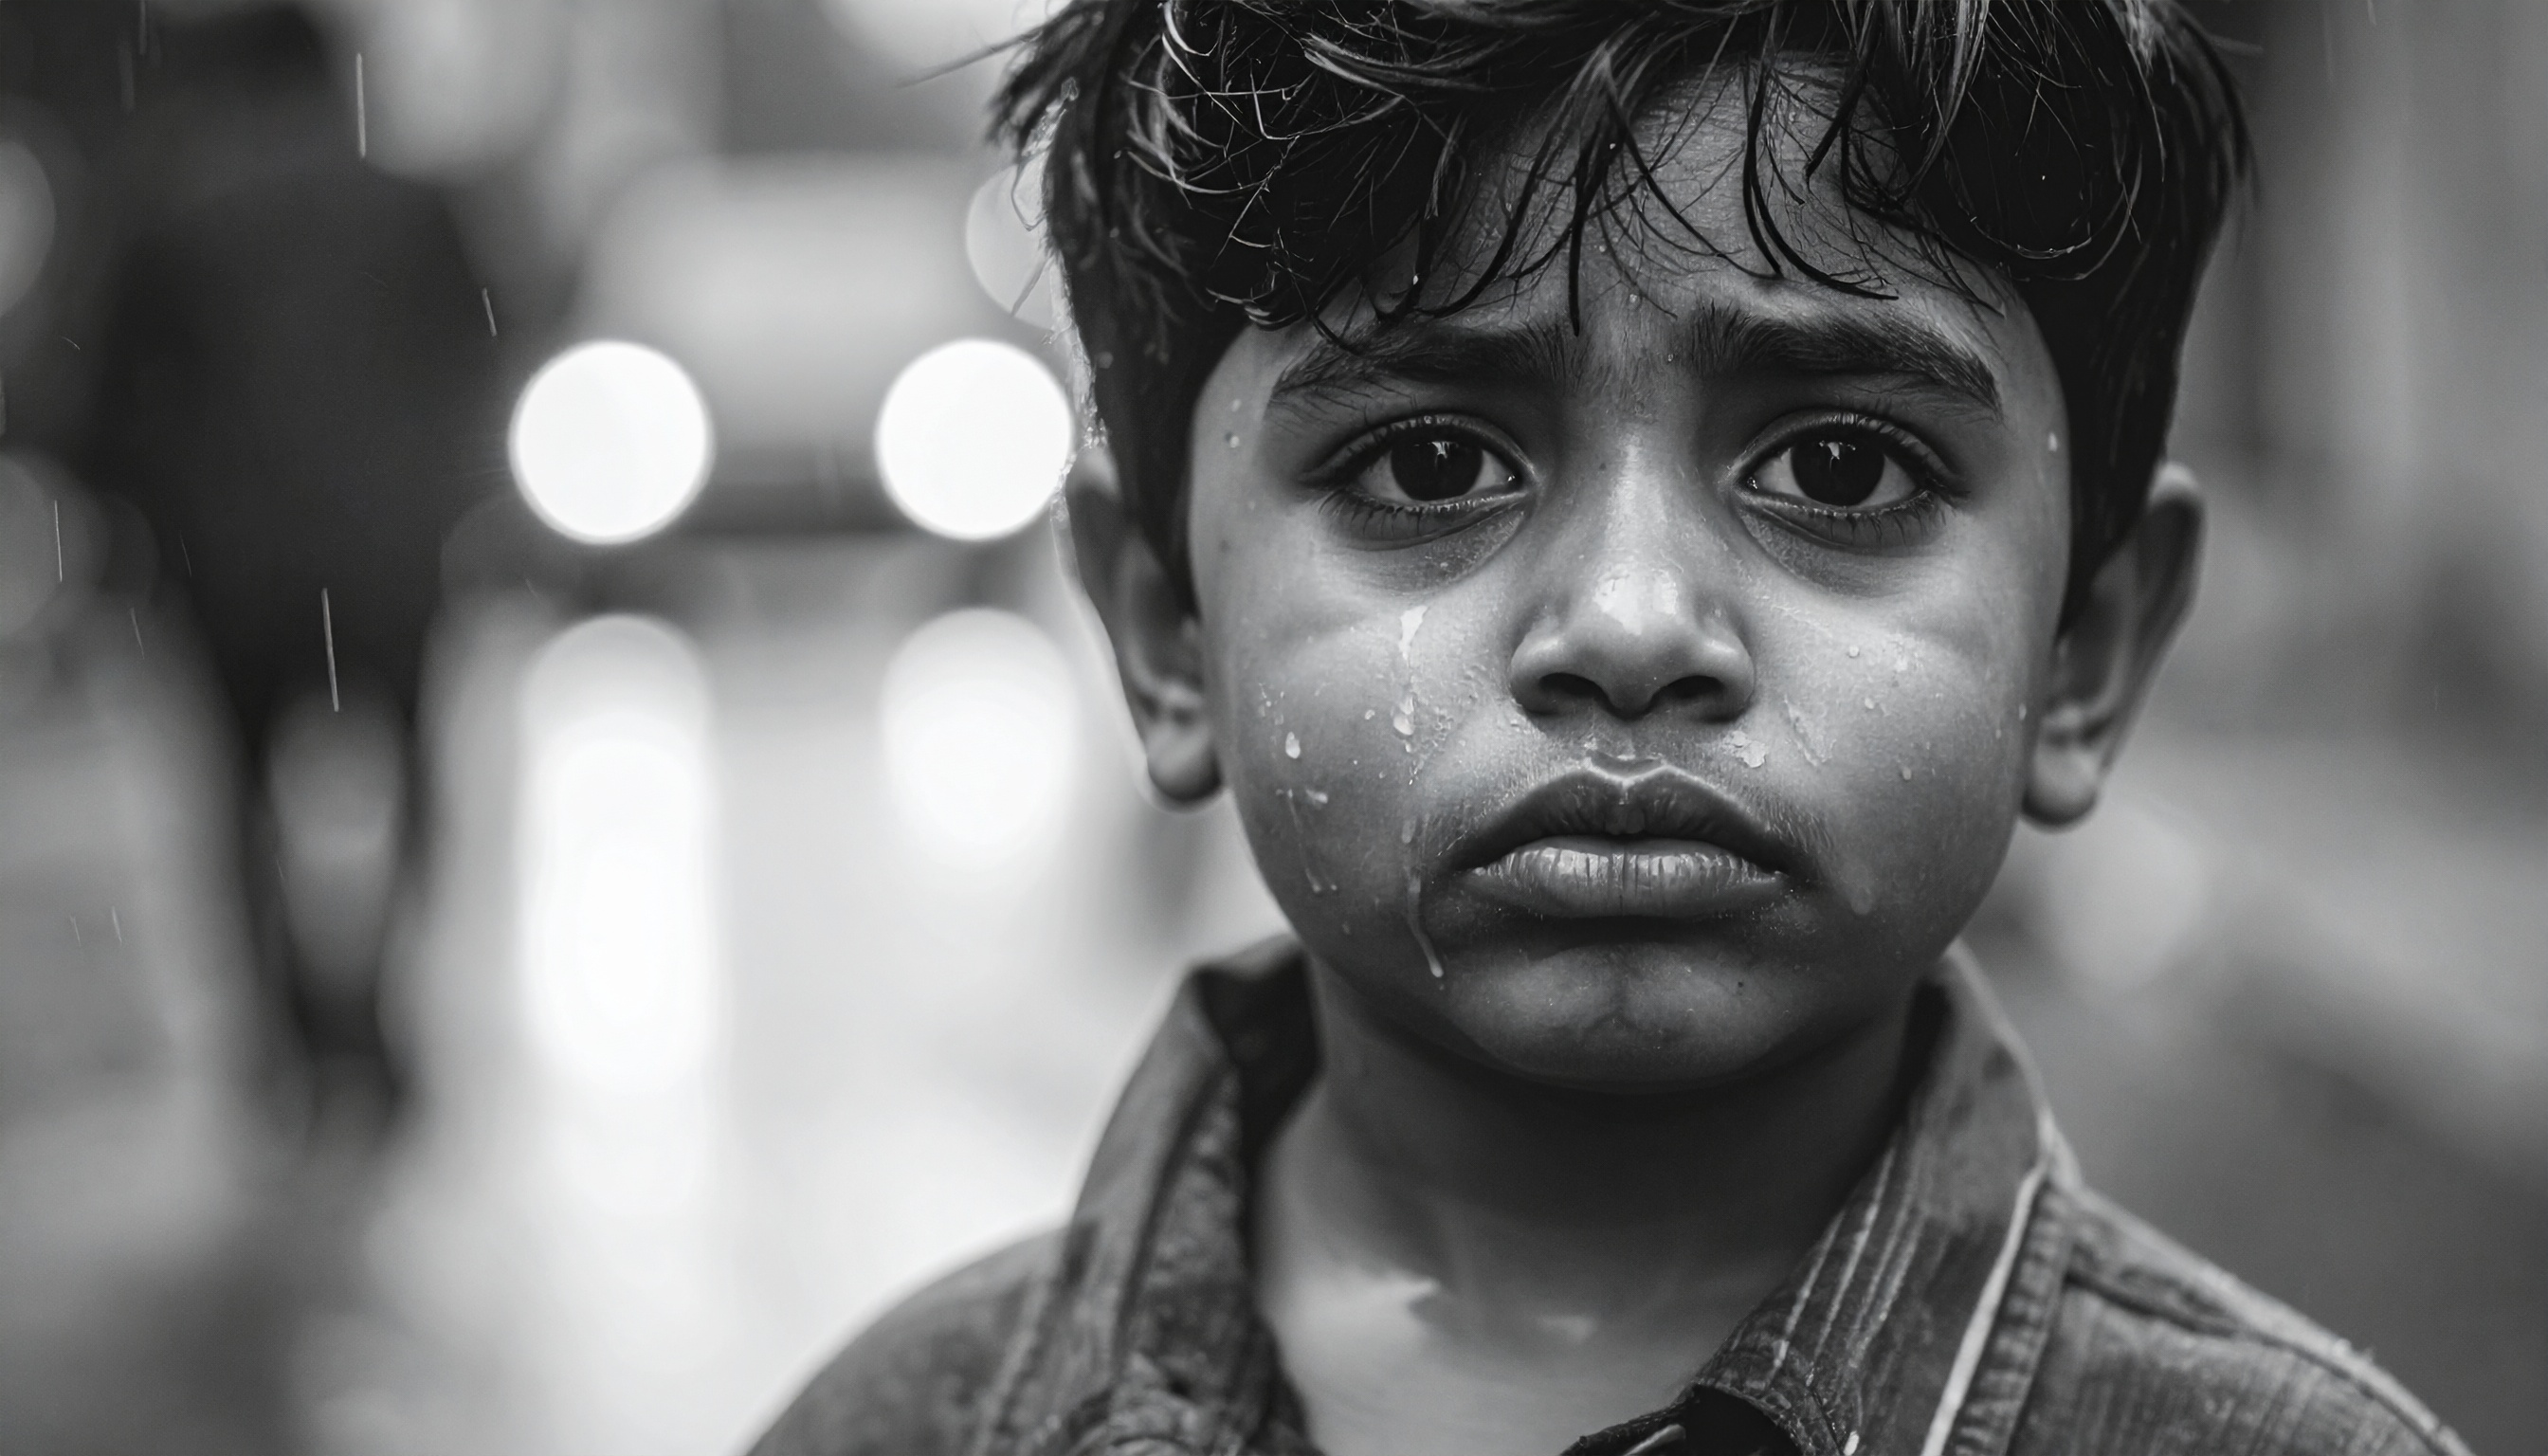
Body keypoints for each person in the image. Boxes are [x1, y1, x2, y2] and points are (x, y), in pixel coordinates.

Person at [753, 4, 2468, 1453]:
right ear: (1164, 632)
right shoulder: (899, 1425)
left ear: (2089, 643)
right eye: (1430, 465)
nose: (1634, 625)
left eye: (1840, 466)